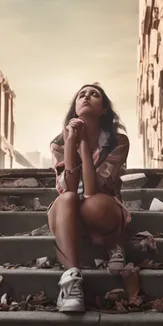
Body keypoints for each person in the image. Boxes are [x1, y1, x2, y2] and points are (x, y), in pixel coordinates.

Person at [48, 83, 130, 313]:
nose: (86, 97)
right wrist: (71, 143)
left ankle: (114, 243)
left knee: (93, 203)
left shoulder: (118, 142)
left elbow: (94, 190)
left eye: (94, 94)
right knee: (67, 199)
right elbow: (68, 188)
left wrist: (84, 144)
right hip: (69, 214)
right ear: (75, 109)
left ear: (104, 109)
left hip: (101, 210)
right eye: (81, 95)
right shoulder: (59, 143)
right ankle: (72, 280)